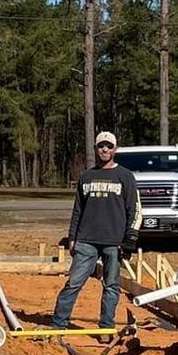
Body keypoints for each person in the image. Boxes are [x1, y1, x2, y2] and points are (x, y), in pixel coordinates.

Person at [51, 131, 140, 329]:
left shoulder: (125, 177)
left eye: (109, 146)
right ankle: (58, 323)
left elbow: (134, 210)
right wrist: (72, 237)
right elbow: (77, 210)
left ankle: (106, 326)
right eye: (101, 146)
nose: (105, 149)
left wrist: (131, 238)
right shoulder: (86, 177)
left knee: (111, 286)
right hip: (86, 240)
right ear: (95, 149)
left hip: (114, 242)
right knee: (73, 283)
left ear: (115, 149)